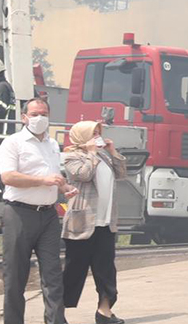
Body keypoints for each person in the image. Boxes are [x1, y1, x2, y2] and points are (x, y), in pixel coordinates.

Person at [0, 98, 76, 324]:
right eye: (34, 114)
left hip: (48, 216)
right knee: (15, 276)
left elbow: (55, 176)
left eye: (44, 113)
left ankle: (56, 321)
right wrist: (43, 180)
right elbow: (8, 177)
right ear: (24, 117)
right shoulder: (13, 143)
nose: (39, 118)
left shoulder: (52, 144)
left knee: (53, 275)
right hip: (19, 214)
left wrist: (65, 187)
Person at [61, 121, 128, 324]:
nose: (96, 137)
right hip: (82, 223)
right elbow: (83, 174)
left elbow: (122, 173)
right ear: (82, 137)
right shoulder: (71, 156)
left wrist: (112, 151)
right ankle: (57, 311)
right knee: (75, 270)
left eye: (98, 133)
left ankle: (104, 311)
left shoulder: (104, 157)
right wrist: (91, 154)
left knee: (106, 269)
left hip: (105, 223)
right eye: (92, 134)